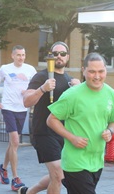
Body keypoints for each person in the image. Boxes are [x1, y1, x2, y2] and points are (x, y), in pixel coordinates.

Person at [46, 52, 114, 194]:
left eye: (101, 71)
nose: (97, 76)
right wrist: (72, 138)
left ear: (106, 70)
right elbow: (51, 120)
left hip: (97, 161)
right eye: (92, 71)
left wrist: (110, 131)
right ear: (84, 71)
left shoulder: (112, 94)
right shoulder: (72, 95)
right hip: (75, 162)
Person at [19, 41, 80, 194]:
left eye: (63, 54)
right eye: (55, 54)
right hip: (44, 132)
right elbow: (27, 101)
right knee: (58, 175)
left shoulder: (71, 80)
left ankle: (29, 192)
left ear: (68, 57)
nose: (59, 56)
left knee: (61, 174)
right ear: (50, 57)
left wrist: (79, 89)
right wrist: (42, 89)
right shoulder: (41, 77)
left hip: (63, 133)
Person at [0, 45, 37, 191]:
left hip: (22, 108)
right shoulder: (5, 68)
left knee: (13, 144)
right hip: (8, 108)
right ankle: (15, 178)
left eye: (23, 55)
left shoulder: (30, 70)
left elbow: (36, 87)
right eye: (18, 55)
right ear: (12, 55)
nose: (21, 58)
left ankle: (2, 168)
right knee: (16, 142)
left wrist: (29, 92)